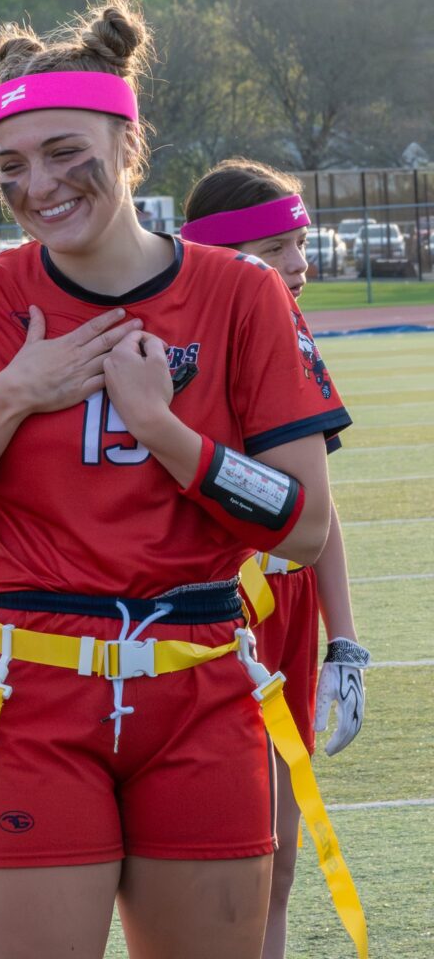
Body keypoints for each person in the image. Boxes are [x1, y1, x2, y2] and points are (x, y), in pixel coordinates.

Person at [0, 0, 352, 959]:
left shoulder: (243, 294)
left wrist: (167, 433)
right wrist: (11, 395)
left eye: (64, 152)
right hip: (35, 689)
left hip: (201, 678)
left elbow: (301, 527)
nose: (38, 185)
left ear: (130, 146)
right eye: (11, 166)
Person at [182, 158, 370, 959]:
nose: (299, 264)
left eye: (299, 243)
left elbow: (318, 510)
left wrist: (344, 640)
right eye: (275, 248)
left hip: (287, 606)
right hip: (211, 608)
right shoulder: (175, 342)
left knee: (279, 864)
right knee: (216, 873)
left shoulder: (289, 331)